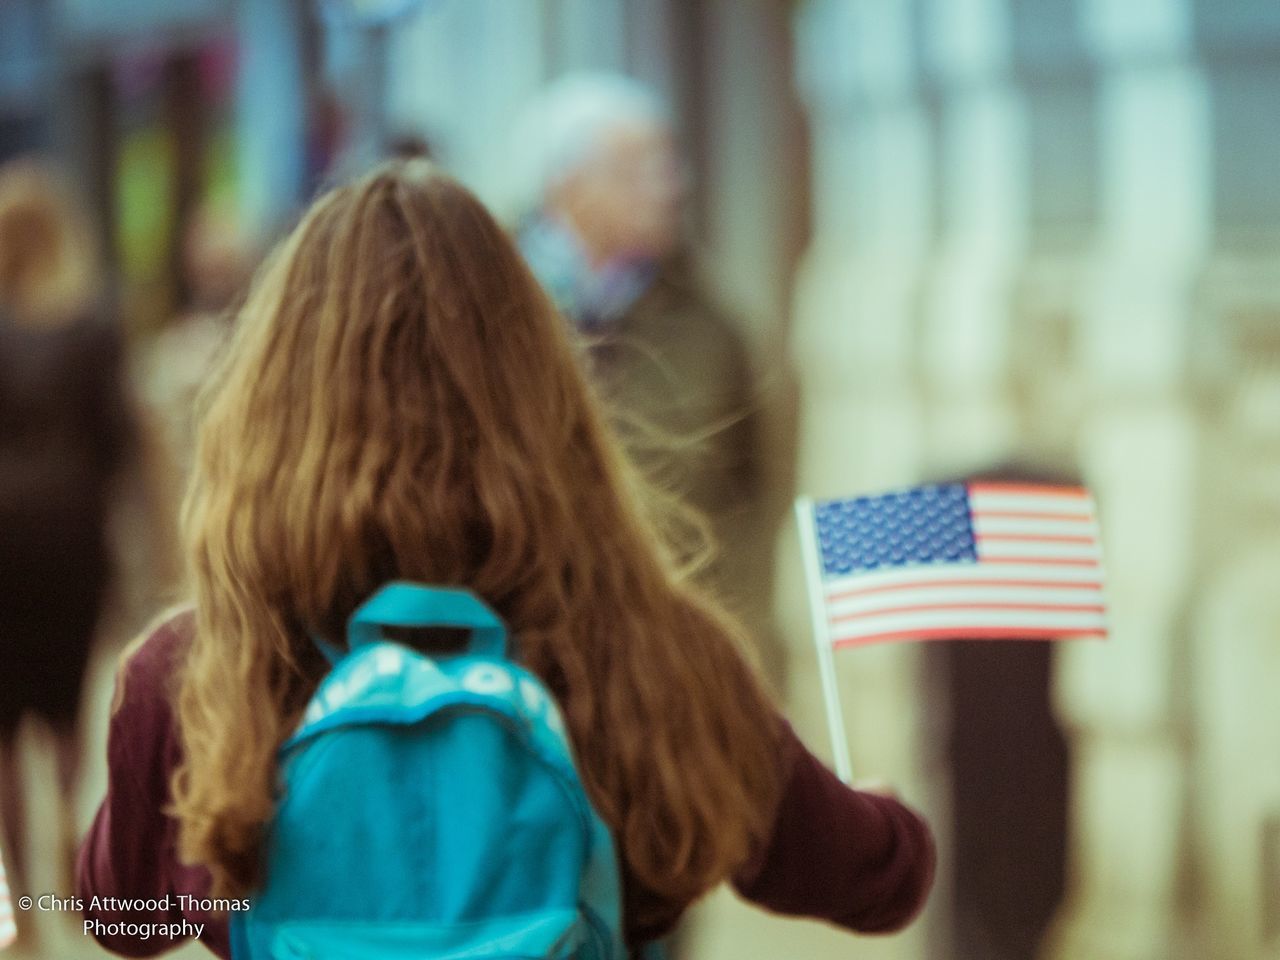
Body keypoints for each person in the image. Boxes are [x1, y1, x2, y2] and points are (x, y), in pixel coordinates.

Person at [77, 161, 934, 959]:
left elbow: (122, 920)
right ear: (543, 392)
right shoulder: (648, 651)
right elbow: (873, 885)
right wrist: (888, 818)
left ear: (267, 410)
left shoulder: (193, 673)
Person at [512, 75, 788, 682]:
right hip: (525, 655)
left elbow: (752, 506)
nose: (671, 185)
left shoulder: (713, 328)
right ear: (568, 185)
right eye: (638, 167)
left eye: (669, 162)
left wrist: (745, 653)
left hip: (664, 660)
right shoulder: (488, 305)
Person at [0, 160, 135, 951]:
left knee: (2, 732)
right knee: (66, 719)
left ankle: (18, 905)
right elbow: (115, 445)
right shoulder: (94, 326)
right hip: (71, 542)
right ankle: (82, 876)